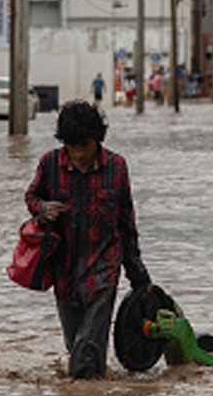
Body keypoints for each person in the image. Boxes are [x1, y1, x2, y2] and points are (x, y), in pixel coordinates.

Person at [23, 100, 153, 379]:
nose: (79, 154)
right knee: (77, 346)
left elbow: (127, 224)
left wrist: (139, 277)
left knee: (87, 349)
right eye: (73, 146)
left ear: (97, 140)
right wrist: (43, 209)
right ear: (64, 143)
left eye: (85, 145)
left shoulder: (117, 167)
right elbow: (31, 197)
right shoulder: (49, 164)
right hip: (64, 270)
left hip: (104, 269)